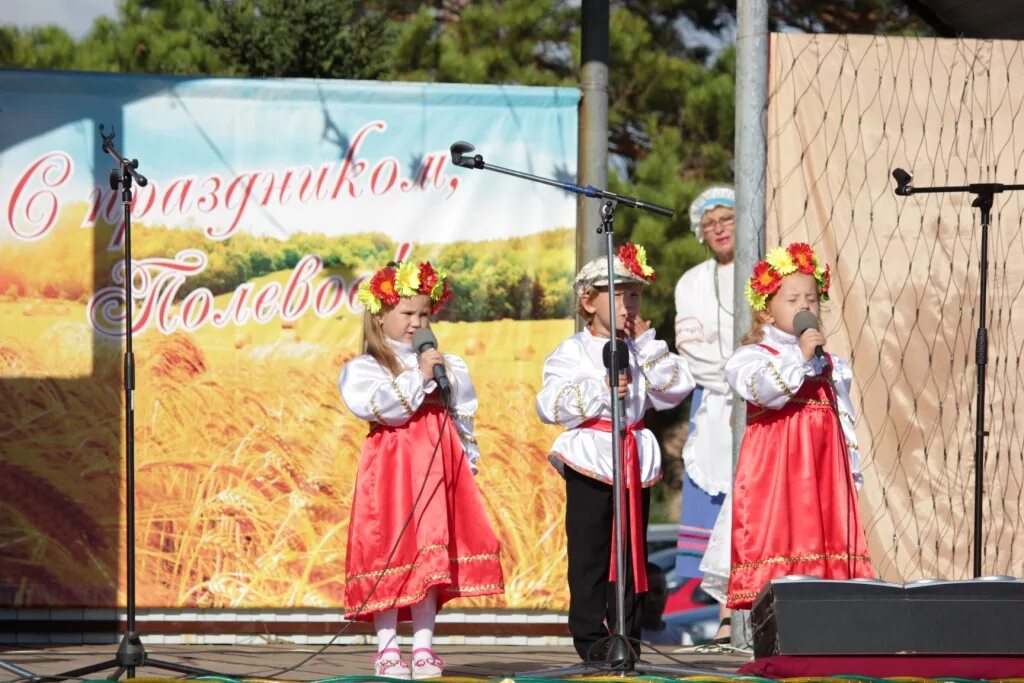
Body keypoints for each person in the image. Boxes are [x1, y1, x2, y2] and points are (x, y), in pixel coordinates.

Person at [339, 260, 504, 680]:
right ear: (380, 316)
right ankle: (388, 647)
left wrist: (466, 458)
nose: (417, 323)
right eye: (407, 314)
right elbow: (382, 409)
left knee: (431, 552)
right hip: (392, 473)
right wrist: (420, 374)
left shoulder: (444, 364)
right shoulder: (368, 367)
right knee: (390, 550)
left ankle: (425, 646)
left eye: (424, 314)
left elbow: (460, 415)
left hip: (435, 467)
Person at [536, 243, 695, 662]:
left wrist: (649, 347)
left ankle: (628, 638)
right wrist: (600, 391)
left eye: (635, 296)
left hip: (633, 460)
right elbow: (549, 404)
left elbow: (675, 388)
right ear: (589, 301)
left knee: (630, 556)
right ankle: (592, 640)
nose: (629, 306)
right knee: (590, 556)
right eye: (619, 295)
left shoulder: (643, 348)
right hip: (591, 458)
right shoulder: (573, 351)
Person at [724, 242, 875, 610]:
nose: (805, 306)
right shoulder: (754, 357)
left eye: (811, 298)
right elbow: (762, 390)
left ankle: (831, 626)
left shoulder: (831, 365)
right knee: (786, 545)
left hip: (825, 473)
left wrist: (850, 470)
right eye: (792, 300)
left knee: (827, 545)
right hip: (779, 476)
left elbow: (842, 418)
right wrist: (800, 357)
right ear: (766, 313)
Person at [673, 186, 736, 642]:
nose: (717, 229)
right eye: (709, 223)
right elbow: (692, 350)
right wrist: (733, 375)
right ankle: (726, 615)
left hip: (760, 400)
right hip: (715, 400)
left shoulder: (760, 272)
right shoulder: (692, 280)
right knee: (716, 507)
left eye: (725, 219)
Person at [639, 563, 686, 646]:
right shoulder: (625, 640)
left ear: (666, 595)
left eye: (657, 592)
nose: (651, 599)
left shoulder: (680, 638)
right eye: (644, 594)